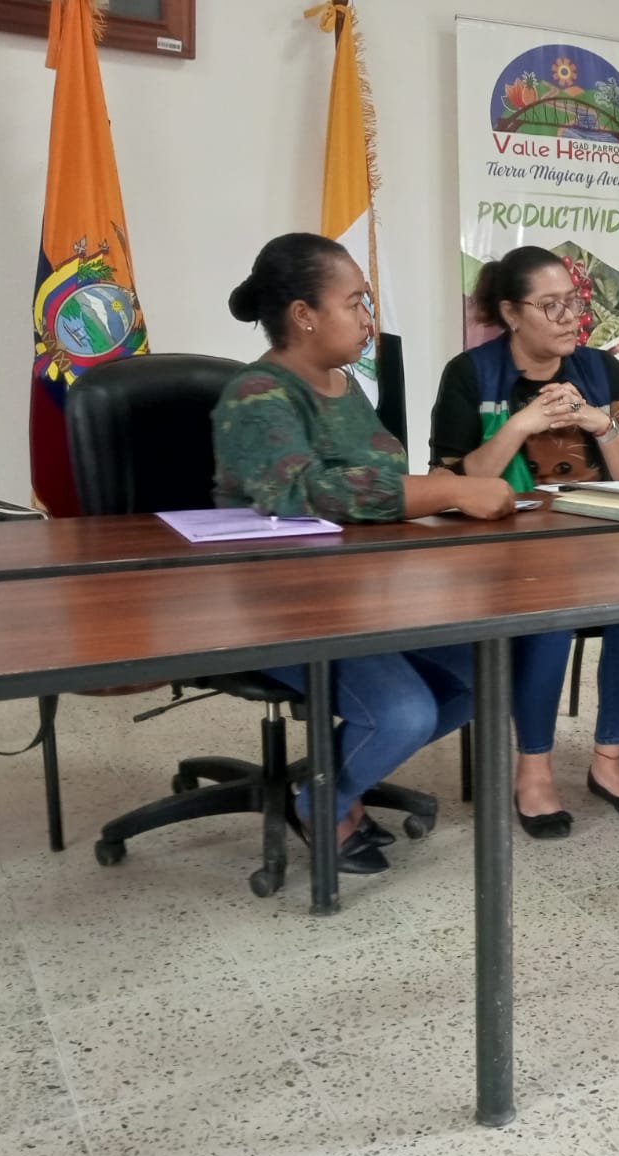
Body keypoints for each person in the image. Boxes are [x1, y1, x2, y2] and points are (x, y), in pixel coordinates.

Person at [213, 232, 515, 874]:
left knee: (486, 674)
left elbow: (379, 474)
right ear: (304, 315)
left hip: (360, 592)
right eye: (354, 304)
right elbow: (302, 491)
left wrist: (438, 492)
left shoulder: (343, 386)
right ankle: (320, 802)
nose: (367, 320)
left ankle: (333, 776)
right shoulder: (256, 394)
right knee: (405, 712)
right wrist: (448, 489)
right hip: (283, 605)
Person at [431, 246, 619, 839]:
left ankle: (610, 760)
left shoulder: (601, 369)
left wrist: (600, 424)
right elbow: (449, 482)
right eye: (550, 305)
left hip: (593, 546)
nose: (569, 318)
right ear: (512, 313)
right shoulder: (470, 374)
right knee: (550, 614)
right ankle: (533, 769)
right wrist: (521, 424)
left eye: (573, 303)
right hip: (502, 552)